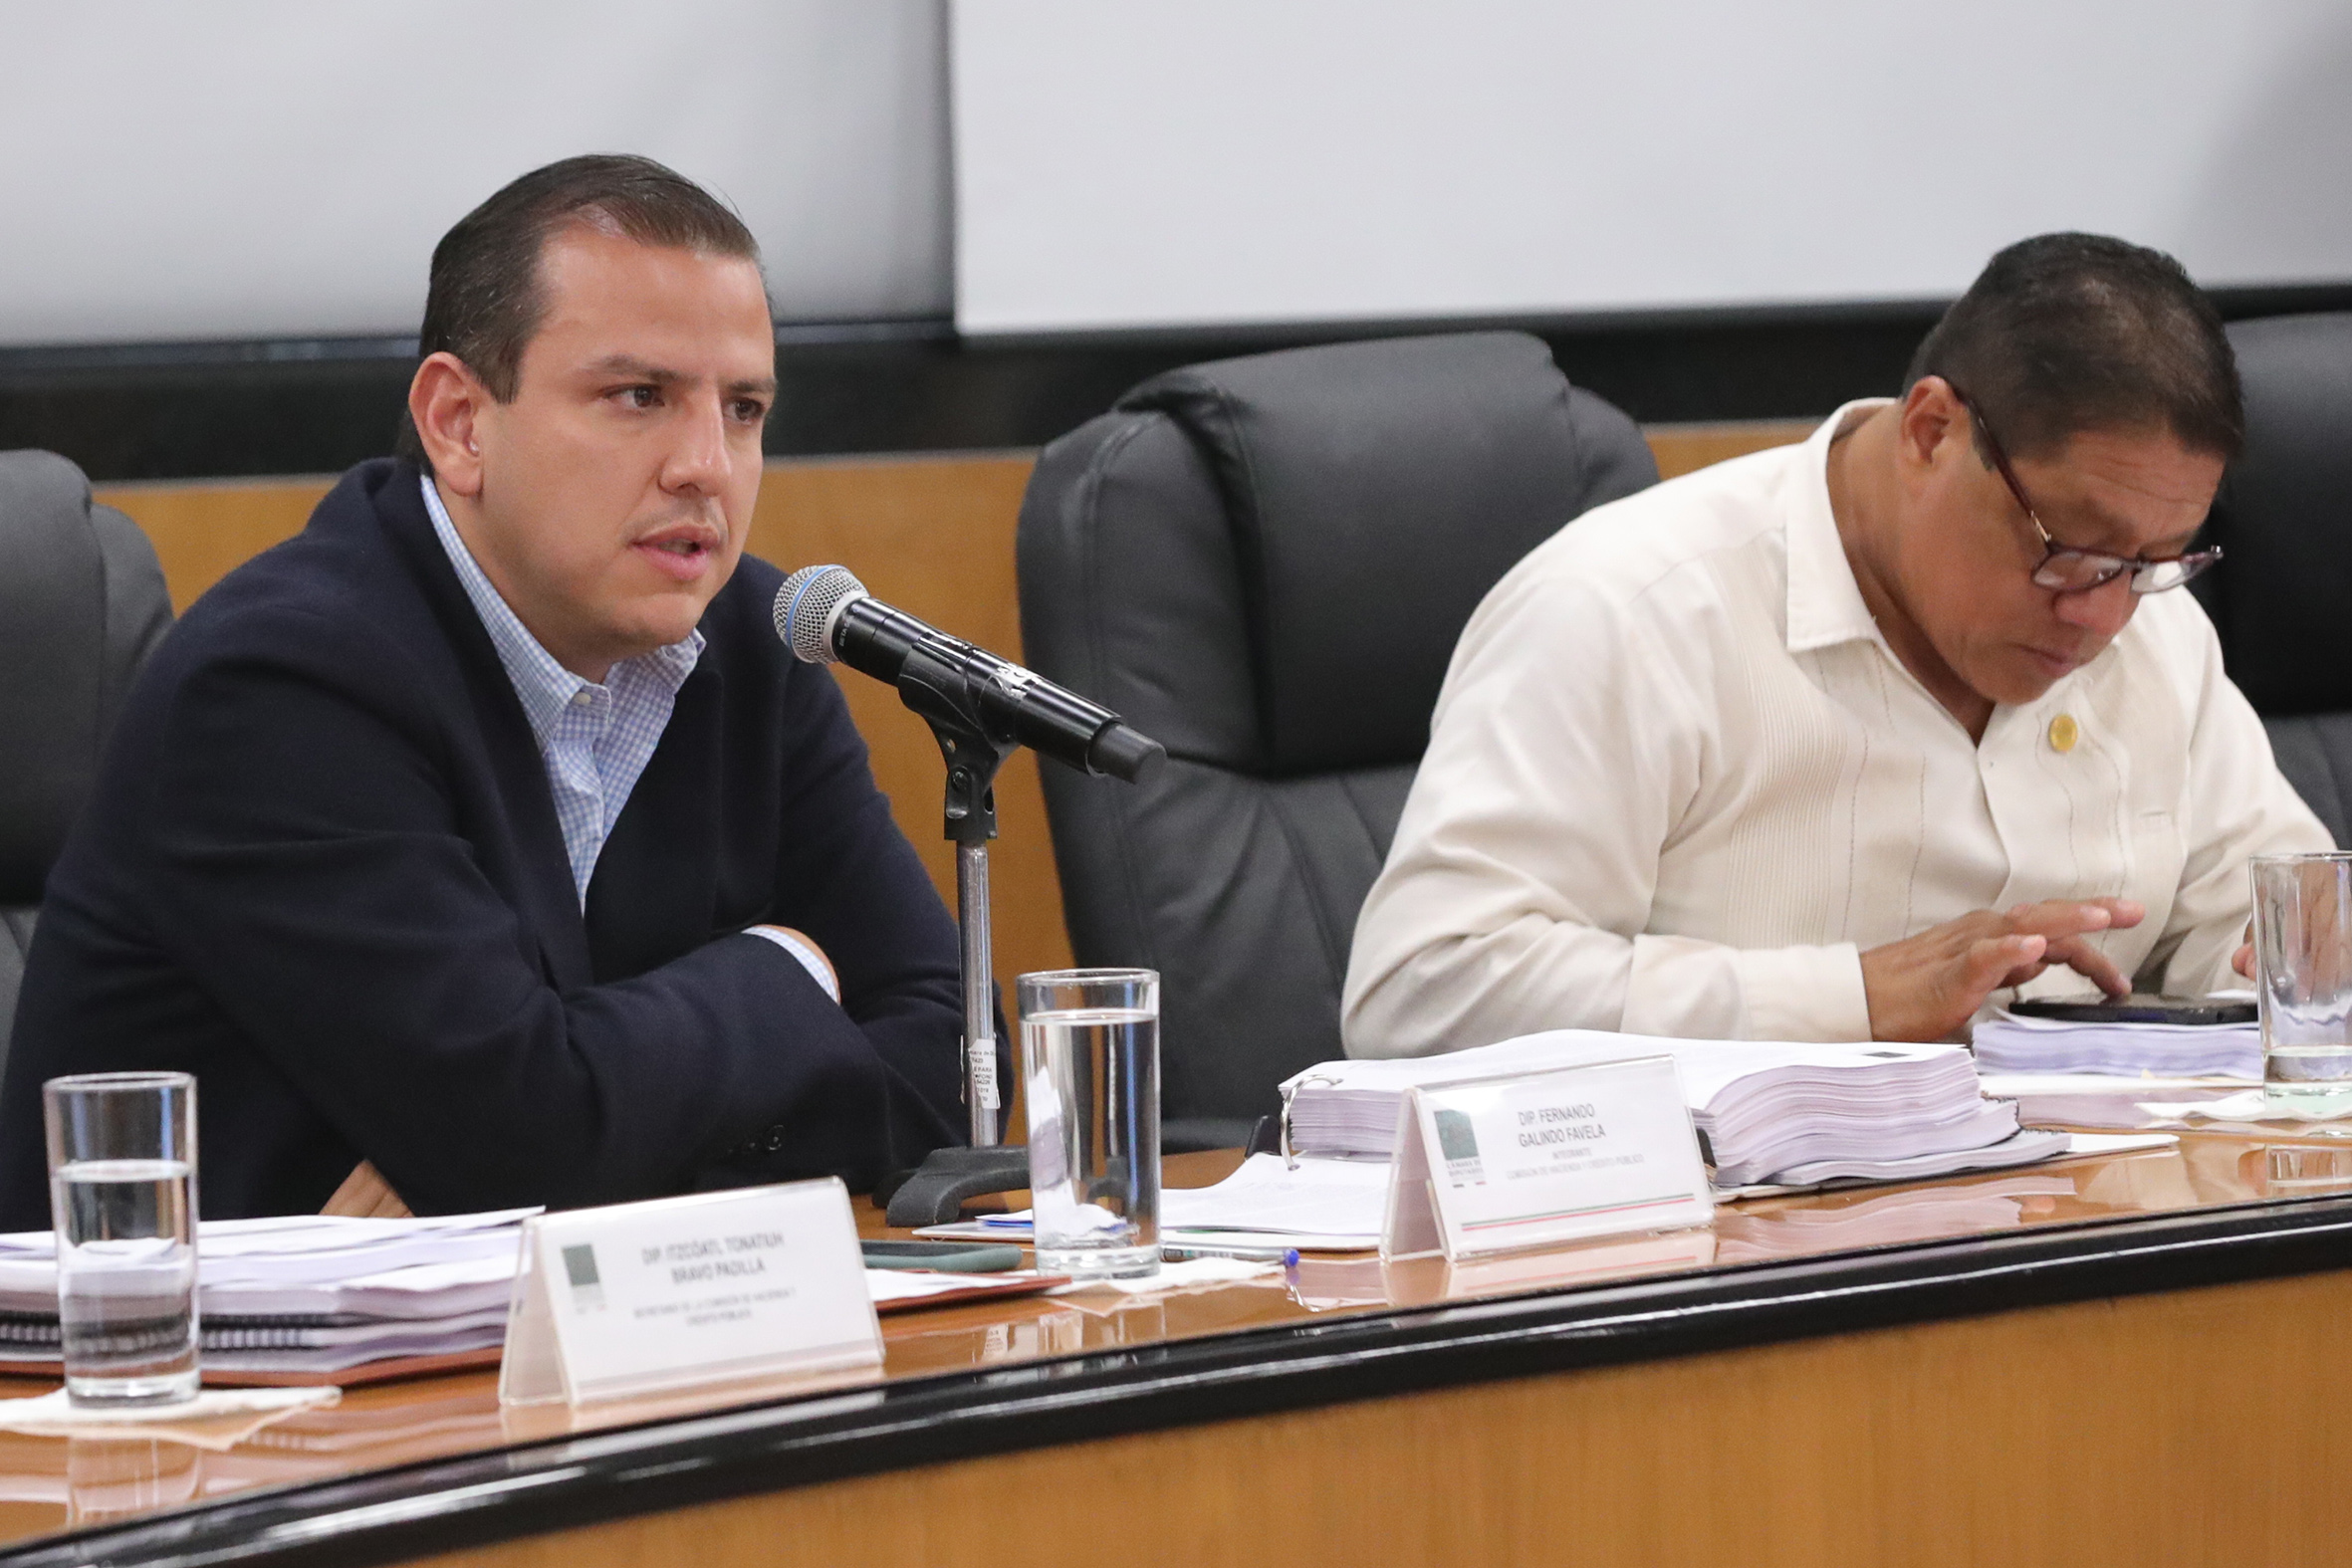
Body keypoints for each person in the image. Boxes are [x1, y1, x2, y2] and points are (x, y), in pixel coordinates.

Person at [0, 155, 969, 1222]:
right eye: (639, 397)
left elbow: (952, 1061)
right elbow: (522, 1134)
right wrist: (784, 974)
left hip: (589, 1313)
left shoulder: (754, 642)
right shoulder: (283, 684)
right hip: (195, 1330)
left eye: (743, 409)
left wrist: (595, 1143)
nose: (706, 464)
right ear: (460, 422)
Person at [1343, 233, 2331, 1057]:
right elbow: (1422, 989)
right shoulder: (1632, 610)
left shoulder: (2155, 630)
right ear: (1931, 432)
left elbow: (2264, 935)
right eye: (2068, 550)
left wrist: (2304, 964)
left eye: (2154, 562)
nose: (2105, 617)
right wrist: (1852, 998)